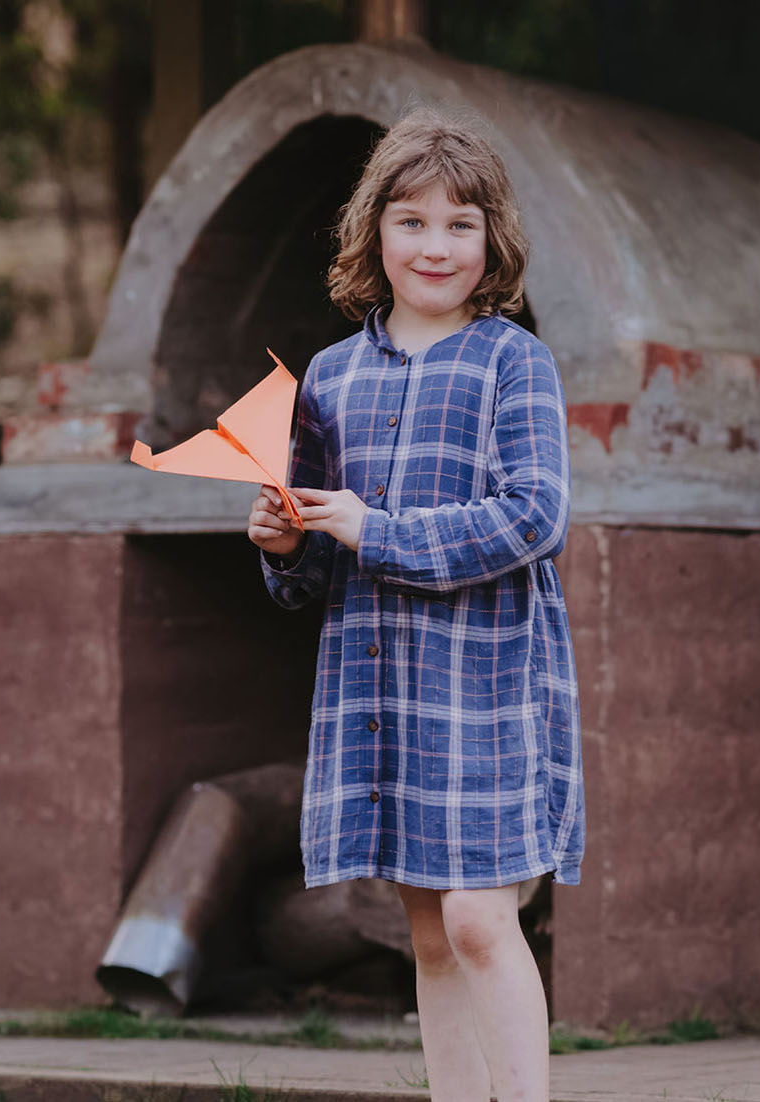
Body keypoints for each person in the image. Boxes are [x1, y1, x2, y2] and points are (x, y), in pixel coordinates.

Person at [245, 107, 583, 1102]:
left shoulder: (513, 361)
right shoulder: (327, 377)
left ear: (493, 242)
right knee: (428, 935)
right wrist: (282, 542)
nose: (435, 245)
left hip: (486, 683)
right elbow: (311, 568)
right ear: (372, 235)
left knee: (482, 919)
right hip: (379, 687)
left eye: (460, 224)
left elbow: (535, 517)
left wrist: (373, 526)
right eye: (411, 222)